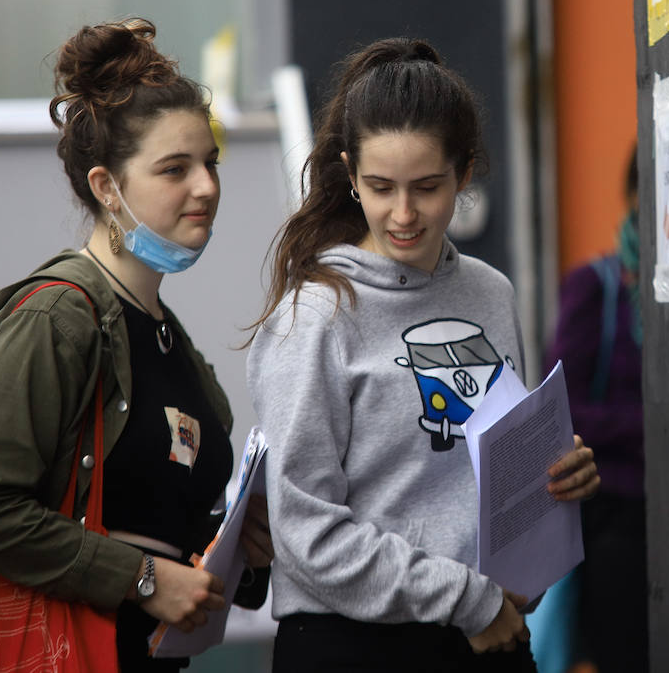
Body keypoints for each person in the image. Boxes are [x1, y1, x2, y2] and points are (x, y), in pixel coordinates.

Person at [246, 37, 601, 672]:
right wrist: (471, 599)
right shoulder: (316, 315)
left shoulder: (490, 292)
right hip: (355, 647)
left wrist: (554, 489)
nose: (403, 214)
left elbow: (493, 481)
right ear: (350, 173)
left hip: (489, 635)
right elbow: (306, 534)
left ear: (464, 174)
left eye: (428, 187)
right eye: (380, 187)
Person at [0, 18, 273, 672]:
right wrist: (143, 577)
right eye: (175, 168)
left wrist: (240, 553)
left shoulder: (167, 336)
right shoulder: (58, 317)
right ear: (106, 188)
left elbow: (158, 521)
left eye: (210, 162)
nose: (206, 186)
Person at [545, 147, 647, 672]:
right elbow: (560, 410)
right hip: (616, 521)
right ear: (632, 196)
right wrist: (653, 428)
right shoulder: (597, 288)